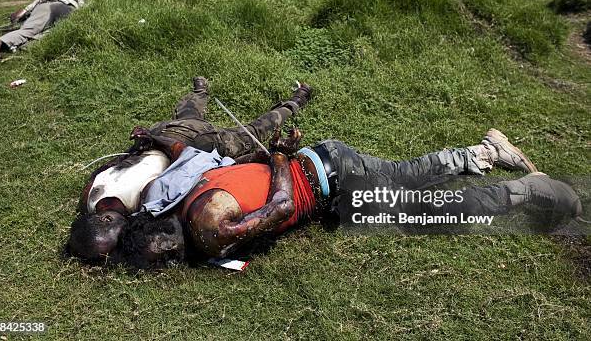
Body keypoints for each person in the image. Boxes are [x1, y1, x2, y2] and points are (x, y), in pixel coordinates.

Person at [117, 128, 583, 268]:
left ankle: (525, 191)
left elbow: (279, 207)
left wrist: (279, 161)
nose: (171, 265)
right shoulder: (182, 200)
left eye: (165, 260)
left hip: (331, 181)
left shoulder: (210, 230)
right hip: (325, 162)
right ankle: (484, 152)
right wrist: (280, 159)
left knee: (421, 211)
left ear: (167, 242)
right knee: (406, 176)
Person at [66, 77, 312, 262]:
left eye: (119, 241)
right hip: (196, 145)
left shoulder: (96, 195)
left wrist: (146, 140)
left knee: (189, 115)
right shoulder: (147, 213)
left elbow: (119, 163)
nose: (127, 244)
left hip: (169, 137)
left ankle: (200, 90)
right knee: (254, 131)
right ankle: (297, 99)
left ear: (105, 218)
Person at [0, 0, 84, 60]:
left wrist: (19, 15)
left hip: (48, 7)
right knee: (53, 32)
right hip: (68, 9)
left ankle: (1, 41)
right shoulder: (78, 1)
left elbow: (20, 13)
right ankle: (8, 43)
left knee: (28, 30)